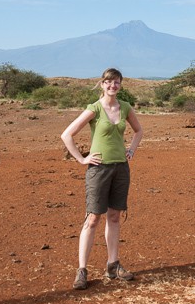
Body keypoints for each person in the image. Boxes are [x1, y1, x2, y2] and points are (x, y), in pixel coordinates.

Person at [60, 68, 143, 290]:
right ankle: (82, 270)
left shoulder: (124, 107)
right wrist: (81, 159)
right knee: (93, 218)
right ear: (102, 84)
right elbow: (66, 135)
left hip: (121, 169)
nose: (112, 86)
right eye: (108, 82)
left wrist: (131, 150)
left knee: (114, 216)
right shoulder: (94, 109)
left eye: (116, 82)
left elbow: (138, 131)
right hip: (99, 169)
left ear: (121, 85)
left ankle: (113, 265)